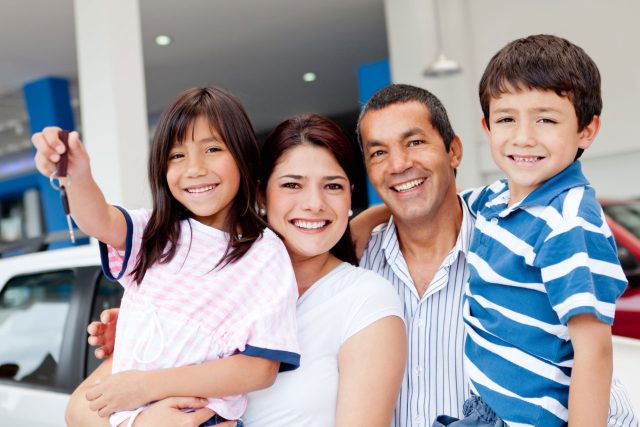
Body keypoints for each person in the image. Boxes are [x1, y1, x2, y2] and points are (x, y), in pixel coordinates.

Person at [67, 114, 407, 426]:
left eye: (333, 186)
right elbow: (80, 408)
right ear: (260, 193)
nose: (314, 203)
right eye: (292, 185)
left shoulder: (364, 299)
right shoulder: (207, 281)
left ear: (350, 196)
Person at [32, 86, 301, 427]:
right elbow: (97, 219)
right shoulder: (155, 231)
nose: (195, 168)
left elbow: (260, 368)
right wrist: (76, 174)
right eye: (177, 155)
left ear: (244, 156)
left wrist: (144, 386)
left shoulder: (263, 253)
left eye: (213, 149)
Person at [433, 34, 639, 427]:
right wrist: (365, 223)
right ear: (487, 128)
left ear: (586, 130)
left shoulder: (569, 220)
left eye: (546, 119)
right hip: (486, 409)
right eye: (507, 118)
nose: (523, 137)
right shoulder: (495, 200)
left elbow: (593, 352)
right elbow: (442, 204)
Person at [355, 83, 473, 426]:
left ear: (454, 151)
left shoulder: (510, 254)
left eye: (415, 142)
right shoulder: (355, 265)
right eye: (378, 153)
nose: (398, 164)